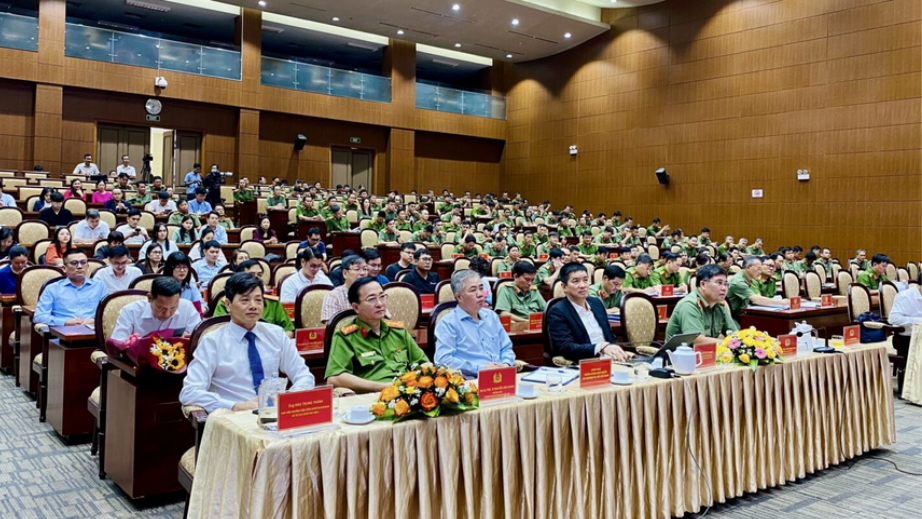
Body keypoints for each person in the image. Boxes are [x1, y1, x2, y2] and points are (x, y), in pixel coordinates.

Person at [180, 273, 315, 412]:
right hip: (234, 417)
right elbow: (190, 392)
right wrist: (235, 406)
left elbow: (304, 376)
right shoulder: (212, 342)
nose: (253, 306)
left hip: (275, 414)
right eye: (245, 300)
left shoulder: (276, 334)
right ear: (228, 304)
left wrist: (288, 400)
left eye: (258, 300)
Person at [324, 277, 428, 393]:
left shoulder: (398, 331)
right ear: (356, 307)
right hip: (373, 397)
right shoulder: (346, 336)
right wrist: (383, 387)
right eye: (371, 299)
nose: (379, 304)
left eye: (382, 296)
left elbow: (423, 362)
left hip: (408, 393)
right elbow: (335, 378)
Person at [434, 270, 515, 377]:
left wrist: (506, 363)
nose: (480, 294)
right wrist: (481, 368)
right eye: (473, 290)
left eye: (481, 288)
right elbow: (443, 360)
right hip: (471, 382)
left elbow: (506, 348)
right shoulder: (448, 323)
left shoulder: (491, 316)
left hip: (502, 377)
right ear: (459, 297)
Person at [546, 263, 627, 361]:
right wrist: (600, 347)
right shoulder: (558, 312)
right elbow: (567, 348)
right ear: (564, 287)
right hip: (585, 363)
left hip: (611, 359)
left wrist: (617, 351)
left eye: (585, 280)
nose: (583, 285)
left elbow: (610, 336)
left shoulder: (596, 303)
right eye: (575, 281)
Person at [212, 261, 295, 337]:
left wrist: (276, 342)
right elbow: (217, 330)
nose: (253, 306)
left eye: (259, 275)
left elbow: (289, 329)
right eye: (251, 274)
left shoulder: (273, 303)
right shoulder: (225, 304)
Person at [110, 277, 202, 345]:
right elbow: (118, 343)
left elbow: (199, 340)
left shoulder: (187, 308)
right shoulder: (131, 311)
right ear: (150, 298)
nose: (167, 314)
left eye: (173, 308)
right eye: (161, 308)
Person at [665, 264, 739, 345]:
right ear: (703, 284)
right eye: (719, 283)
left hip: (707, 354)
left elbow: (734, 334)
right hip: (678, 355)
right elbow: (698, 341)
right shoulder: (689, 305)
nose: (724, 288)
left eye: (725, 284)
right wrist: (731, 344)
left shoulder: (719, 304)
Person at [34, 249, 107, 327]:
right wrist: (65, 322)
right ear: (64, 268)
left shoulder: (100, 286)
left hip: (94, 332)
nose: (79, 266)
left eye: (83, 262)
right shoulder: (52, 289)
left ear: (87, 266)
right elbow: (39, 316)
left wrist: (94, 320)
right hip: (63, 333)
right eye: (74, 263)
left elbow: (108, 313)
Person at [320, 255, 367, 323]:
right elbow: (331, 327)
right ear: (345, 273)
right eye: (357, 269)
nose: (362, 273)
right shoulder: (333, 296)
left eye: (365, 269)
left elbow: (385, 319)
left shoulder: (373, 293)